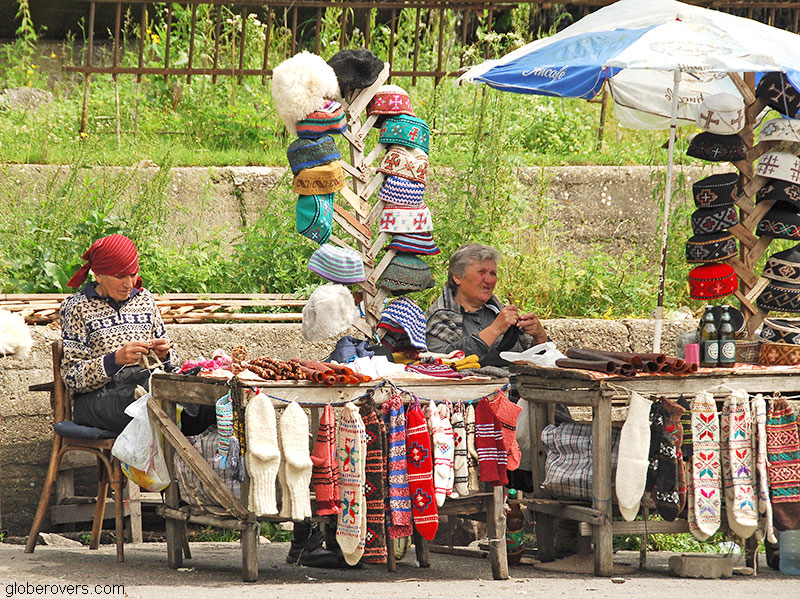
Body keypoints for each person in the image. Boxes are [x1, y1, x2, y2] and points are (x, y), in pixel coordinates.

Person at [60, 234, 179, 434]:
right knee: (150, 403)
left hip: (144, 385)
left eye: (132, 274)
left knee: (196, 402)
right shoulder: (76, 307)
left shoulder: (145, 300)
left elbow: (174, 363)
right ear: (98, 275)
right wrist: (114, 360)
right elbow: (72, 377)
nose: (129, 283)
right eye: (120, 276)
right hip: (98, 399)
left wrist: (164, 355)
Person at [426, 243, 548, 367]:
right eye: (481, 272)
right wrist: (494, 330)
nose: (489, 280)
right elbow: (440, 363)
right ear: (457, 277)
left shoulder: (499, 310)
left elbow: (541, 362)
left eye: (493, 273)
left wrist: (540, 336)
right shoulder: (439, 318)